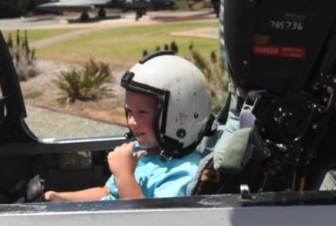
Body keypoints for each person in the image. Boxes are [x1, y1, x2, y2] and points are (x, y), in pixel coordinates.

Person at [43, 51, 212, 201]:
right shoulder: (141, 151)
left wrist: (124, 175)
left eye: (142, 113)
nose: (131, 121)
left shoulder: (182, 172)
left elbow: (152, 224)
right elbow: (107, 193)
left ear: (178, 116)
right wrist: (60, 198)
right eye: (129, 111)